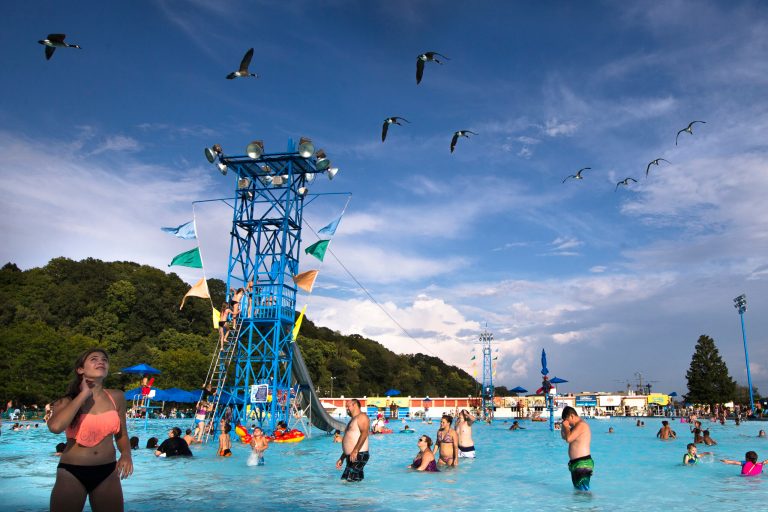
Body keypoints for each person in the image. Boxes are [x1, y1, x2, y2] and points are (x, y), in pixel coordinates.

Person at [47, 348, 132, 512]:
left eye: (104, 360)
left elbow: (122, 433)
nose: (101, 361)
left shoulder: (117, 397)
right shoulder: (66, 401)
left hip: (108, 471)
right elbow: (55, 427)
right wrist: (83, 394)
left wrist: (126, 454)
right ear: (80, 369)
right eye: (94, 359)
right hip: (72, 472)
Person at [335, 399, 370, 482]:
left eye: (348, 406)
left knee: (347, 481)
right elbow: (351, 440)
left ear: (354, 405)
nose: (347, 409)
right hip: (353, 455)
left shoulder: (361, 417)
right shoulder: (352, 420)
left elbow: (364, 434)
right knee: (352, 481)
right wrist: (342, 458)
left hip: (359, 454)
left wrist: (355, 450)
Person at [560, 406, 593, 492]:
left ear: (572, 416)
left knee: (583, 491)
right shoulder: (576, 426)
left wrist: (567, 427)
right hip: (576, 464)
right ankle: (584, 505)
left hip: (583, 463)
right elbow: (564, 437)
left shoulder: (581, 425)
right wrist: (564, 427)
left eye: (567, 420)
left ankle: (591, 505)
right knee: (579, 491)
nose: (568, 423)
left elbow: (568, 439)